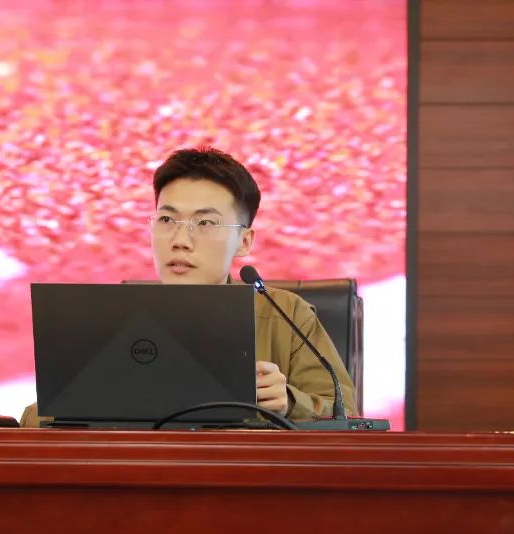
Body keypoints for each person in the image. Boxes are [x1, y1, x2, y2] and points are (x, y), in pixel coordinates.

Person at [19, 147, 357, 427]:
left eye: (205, 222)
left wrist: (289, 402)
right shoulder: (110, 320)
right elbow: (35, 420)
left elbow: (348, 418)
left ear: (244, 241)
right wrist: (88, 398)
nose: (180, 240)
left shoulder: (284, 315)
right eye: (167, 220)